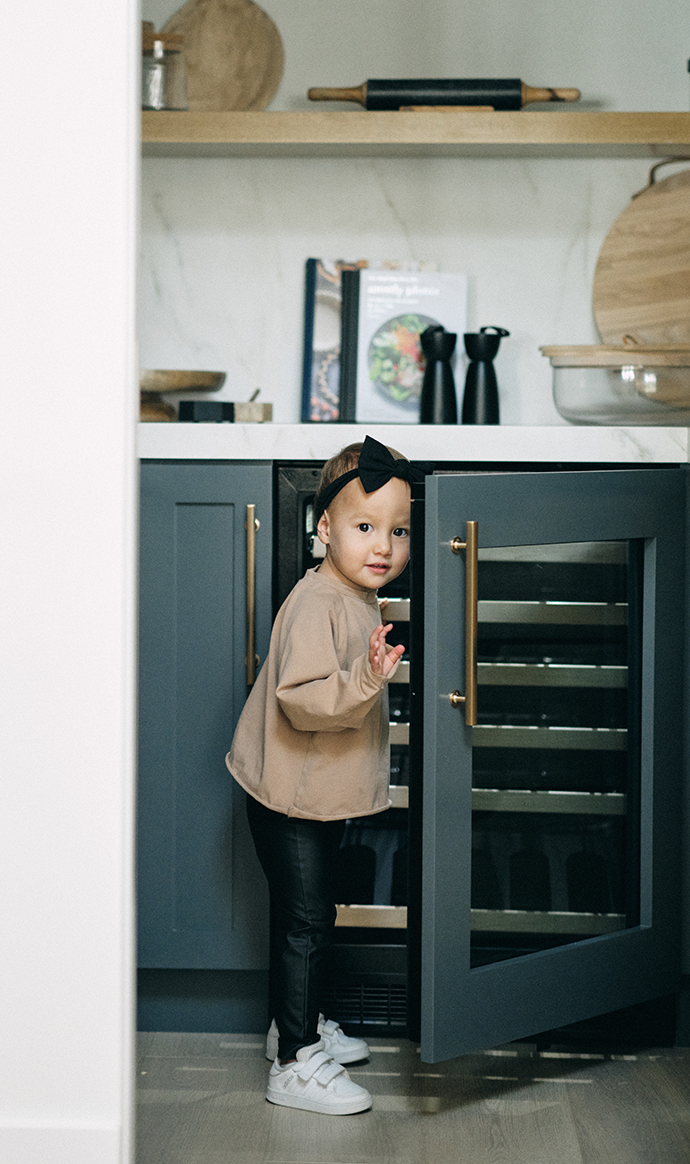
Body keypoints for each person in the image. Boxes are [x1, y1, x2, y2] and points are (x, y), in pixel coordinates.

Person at [226, 436, 423, 1116]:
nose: (383, 546)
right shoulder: (319, 604)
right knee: (306, 922)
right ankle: (294, 1062)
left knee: (310, 915)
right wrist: (368, 677)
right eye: (365, 528)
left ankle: (295, 1022)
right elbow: (304, 699)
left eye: (397, 530)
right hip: (288, 799)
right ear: (324, 530)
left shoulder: (353, 593)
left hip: (311, 792)